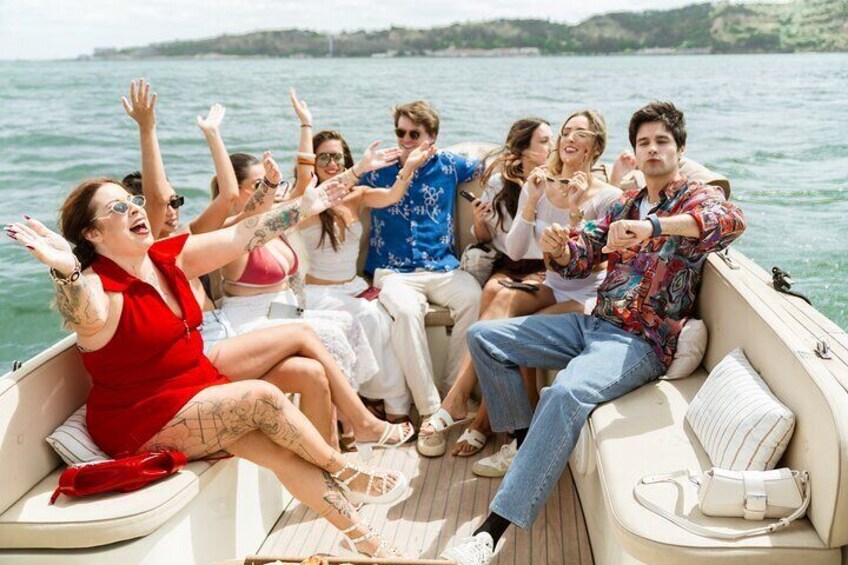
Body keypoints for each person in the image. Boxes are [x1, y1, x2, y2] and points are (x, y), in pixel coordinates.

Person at [5, 175, 413, 558]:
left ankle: (367, 542)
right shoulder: (96, 287)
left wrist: (305, 207)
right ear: (92, 234)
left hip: (195, 391)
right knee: (262, 397)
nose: (135, 208)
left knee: (282, 453)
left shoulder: (168, 257)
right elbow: (83, 314)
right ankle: (345, 469)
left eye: (133, 201)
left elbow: (241, 235)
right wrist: (67, 272)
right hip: (139, 419)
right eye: (118, 208)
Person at [442, 101, 747, 564]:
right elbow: (584, 255)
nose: (652, 149)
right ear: (634, 152)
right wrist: (561, 249)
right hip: (594, 323)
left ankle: (489, 533)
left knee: (564, 393)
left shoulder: (693, 198)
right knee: (485, 337)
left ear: (679, 150)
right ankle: (524, 442)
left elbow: (731, 221)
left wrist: (652, 227)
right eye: (643, 142)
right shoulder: (626, 203)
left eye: (662, 141)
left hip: (639, 342)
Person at [119, 80, 381, 449]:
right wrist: (150, 129)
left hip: (235, 326)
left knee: (318, 359)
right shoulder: (166, 250)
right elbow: (226, 198)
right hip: (225, 334)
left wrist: (343, 170)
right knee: (315, 334)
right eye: (165, 205)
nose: (172, 209)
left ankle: (337, 450)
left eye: (179, 201)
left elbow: (292, 195)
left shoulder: (190, 239)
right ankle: (358, 425)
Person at [215, 145, 416, 453]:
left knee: (345, 323)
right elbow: (286, 209)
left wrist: (359, 169)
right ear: (237, 191)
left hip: (280, 311)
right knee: (326, 336)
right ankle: (353, 429)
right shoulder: (232, 232)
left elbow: (319, 196)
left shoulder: (272, 220)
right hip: (249, 317)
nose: (271, 191)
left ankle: (346, 425)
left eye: (274, 184)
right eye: (260, 185)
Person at [287, 89, 436, 424]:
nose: (332, 164)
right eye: (323, 158)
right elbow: (304, 176)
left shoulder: (358, 195)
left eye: (338, 157)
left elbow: (393, 194)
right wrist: (306, 125)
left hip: (353, 286)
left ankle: (391, 405)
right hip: (319, 292)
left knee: (385, 320)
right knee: (369, 317)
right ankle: (373, 407)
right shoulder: (307, 199)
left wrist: (410, 166)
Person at [415, 117, 554, 458]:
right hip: (508, 264)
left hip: (543, 269)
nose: (551, 147)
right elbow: (486, 238)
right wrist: (480, 221)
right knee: (491, 293)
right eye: (544, 141)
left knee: (503, 305)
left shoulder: (554, 184)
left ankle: (470, 409)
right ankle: (485, 416)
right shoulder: (498, 182)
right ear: (524, 148)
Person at [359, 99, 483, 425]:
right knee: (405, 311)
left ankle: (452, 395)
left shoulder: (449, 165)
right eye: (400, 132)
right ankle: (429, 410)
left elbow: (492, 163)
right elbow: (340, 186)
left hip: (442, 267)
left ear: (432, 137)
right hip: (393, 270)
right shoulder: (379, 170)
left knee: (474, 298)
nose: (405, 139)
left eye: (414, 134)